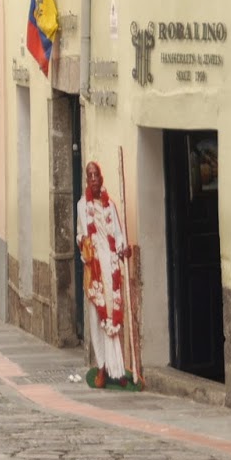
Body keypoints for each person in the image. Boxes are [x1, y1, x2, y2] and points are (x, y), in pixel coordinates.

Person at [76, 161, 133, 387]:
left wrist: (124, 249)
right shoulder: (82, 206)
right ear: (86, 180)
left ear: (101, 178)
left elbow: (118, 234)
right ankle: (101, 368)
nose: (93, 179)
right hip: (94, 269)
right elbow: (80, 234)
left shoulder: (110, 207)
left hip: (110, 265)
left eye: (96, 175)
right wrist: (85, 245)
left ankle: (117, 370)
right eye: (89, 175)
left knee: (113, 313)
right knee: (96, 317)